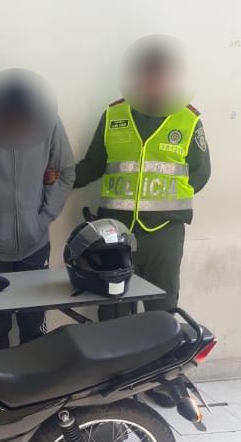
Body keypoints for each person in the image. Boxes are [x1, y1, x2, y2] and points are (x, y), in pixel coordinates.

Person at [74, 38, 211, 314]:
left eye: (161, 75)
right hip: (116, 231)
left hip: (164, 234)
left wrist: (164, 199)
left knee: (162, 311)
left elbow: (200, 174)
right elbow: (92, 165)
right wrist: (56, 180)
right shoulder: (114, 115)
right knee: (114, 311)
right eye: (148, 75)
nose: (154, 82)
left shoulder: (188, 119)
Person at [0, 69, 75, 349]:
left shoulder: (48, 122)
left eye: (21, 117)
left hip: (36, 245)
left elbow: (65, 173)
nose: (15, 124)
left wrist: (43, 218)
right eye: (9, 117)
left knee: (34, 323)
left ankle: (34, 375)